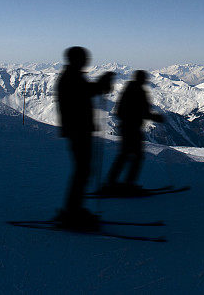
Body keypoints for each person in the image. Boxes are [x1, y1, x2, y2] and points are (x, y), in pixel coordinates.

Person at [55, 46, 113, 228]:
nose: (86, 61)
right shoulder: (71, 77)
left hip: (77, 130)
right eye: (84, 58)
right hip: (78, 130)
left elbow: (87, 90)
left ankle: (73, 209)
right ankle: (72, 212)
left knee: (82, 171)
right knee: (82, 171)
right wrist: (102, 84)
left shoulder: (71, 75)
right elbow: (85, 91)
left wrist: (100, 85)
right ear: (78, 59)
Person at [105, 70, 164, 193]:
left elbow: (121, 110)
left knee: (124, 155)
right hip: (132, 128)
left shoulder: (128, 90)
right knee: (136, 156)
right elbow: (143, 111)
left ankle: (112, 182)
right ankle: (128, 184)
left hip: (127, 127)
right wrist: (155, 117)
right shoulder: (139, 92)